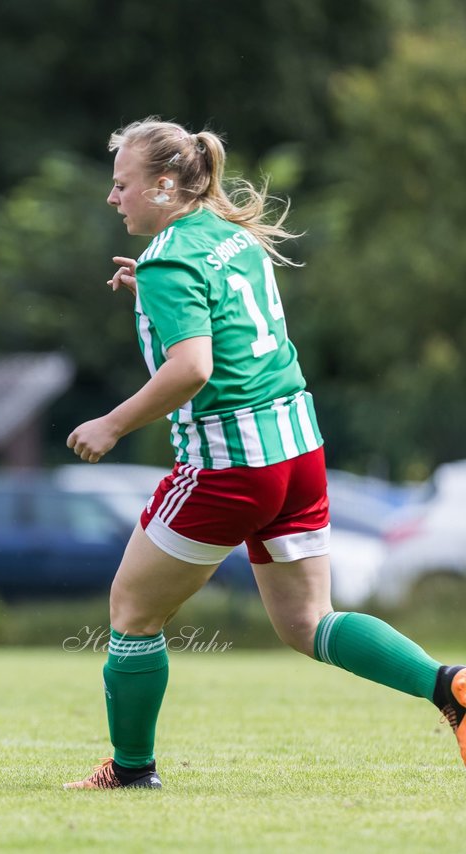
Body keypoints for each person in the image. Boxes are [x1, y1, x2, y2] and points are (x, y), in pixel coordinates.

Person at [62, 117, 466, 790]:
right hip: (297, 452)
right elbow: (220, 313)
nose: (113, 198)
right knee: (309, 622)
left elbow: (192, 367)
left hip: (231, 464)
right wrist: (153, 289)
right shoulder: (228, 238)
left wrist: (112, 422)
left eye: (121, 184)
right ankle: (451, 686)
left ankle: (132, 771)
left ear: (164, 186)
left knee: (132, 612)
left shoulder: (170, 257)